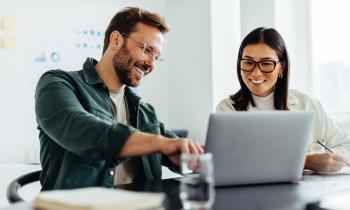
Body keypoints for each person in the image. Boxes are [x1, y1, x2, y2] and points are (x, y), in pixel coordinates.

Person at [35, 7, 203, 190]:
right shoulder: (58, 83)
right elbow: (80, 129)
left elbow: (178, 148)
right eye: (147, 49)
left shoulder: (144, 111)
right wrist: (160, 143)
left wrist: (196, 154)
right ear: (116, 40)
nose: (151, 64)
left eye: (157, 57)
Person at [216, 27, 350, 172]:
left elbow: (346, 146)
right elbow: (227, 161)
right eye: (248, 62)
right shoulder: (227, 110)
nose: (255, 72)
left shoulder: (307, 104)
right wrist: (305, 161)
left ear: (282, 67)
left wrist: (329, 160)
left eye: (266, 63)